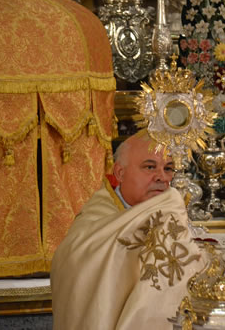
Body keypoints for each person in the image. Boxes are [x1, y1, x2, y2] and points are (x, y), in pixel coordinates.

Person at [51, 131, 205, 330]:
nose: (162, 177)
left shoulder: (170, 213)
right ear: (120, 173)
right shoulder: (93, 223)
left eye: (168, 168)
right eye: (149, 167)